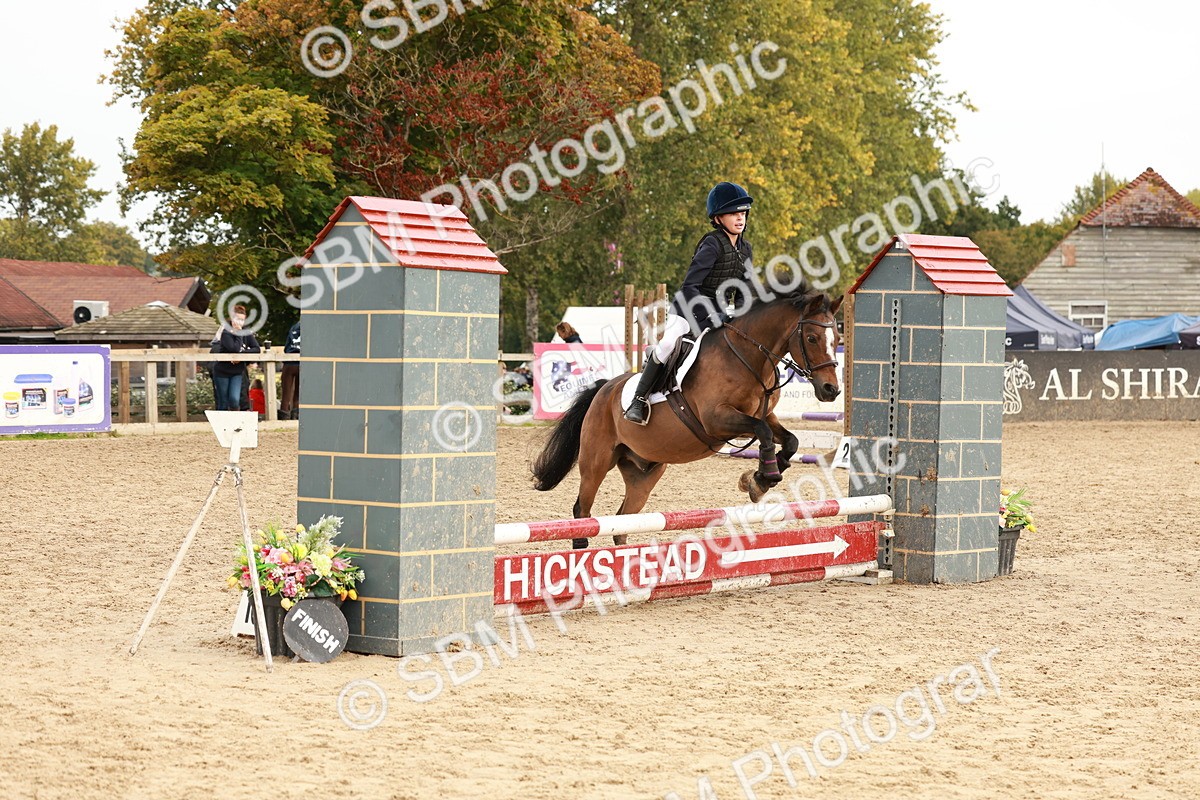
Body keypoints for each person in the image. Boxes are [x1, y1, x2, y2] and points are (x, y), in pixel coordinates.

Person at [624, 182, 755, 425]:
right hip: (689, 309)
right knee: (667, 344)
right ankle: (638, 400)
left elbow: (743, 292)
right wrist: (712, 315)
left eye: (743, 213)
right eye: (733, 213)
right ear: (718, 218)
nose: (740, 218)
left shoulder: (745, 249)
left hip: (721, 312)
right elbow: (690, 287)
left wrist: (741, 315)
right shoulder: (712, 244)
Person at [211, 304, 261, 411]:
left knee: (234, 400)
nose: (240, 323)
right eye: (237, 319)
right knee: (223, 402)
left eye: (242, 320)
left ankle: (234, 419)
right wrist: (239, 334)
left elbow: (256, 348)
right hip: (222, 371)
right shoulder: (226, 332)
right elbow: (234, 349)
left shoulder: (246, 332)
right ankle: (222, 421)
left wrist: (242, 356)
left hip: (237, 372)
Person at [280, 321, 301, 420]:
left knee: (286, 392)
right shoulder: (311, 325)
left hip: (289, 362)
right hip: (302, 362)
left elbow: (286, 347)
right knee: (298, 392)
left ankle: (284, 414)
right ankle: (296, 414)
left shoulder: (293, 327)